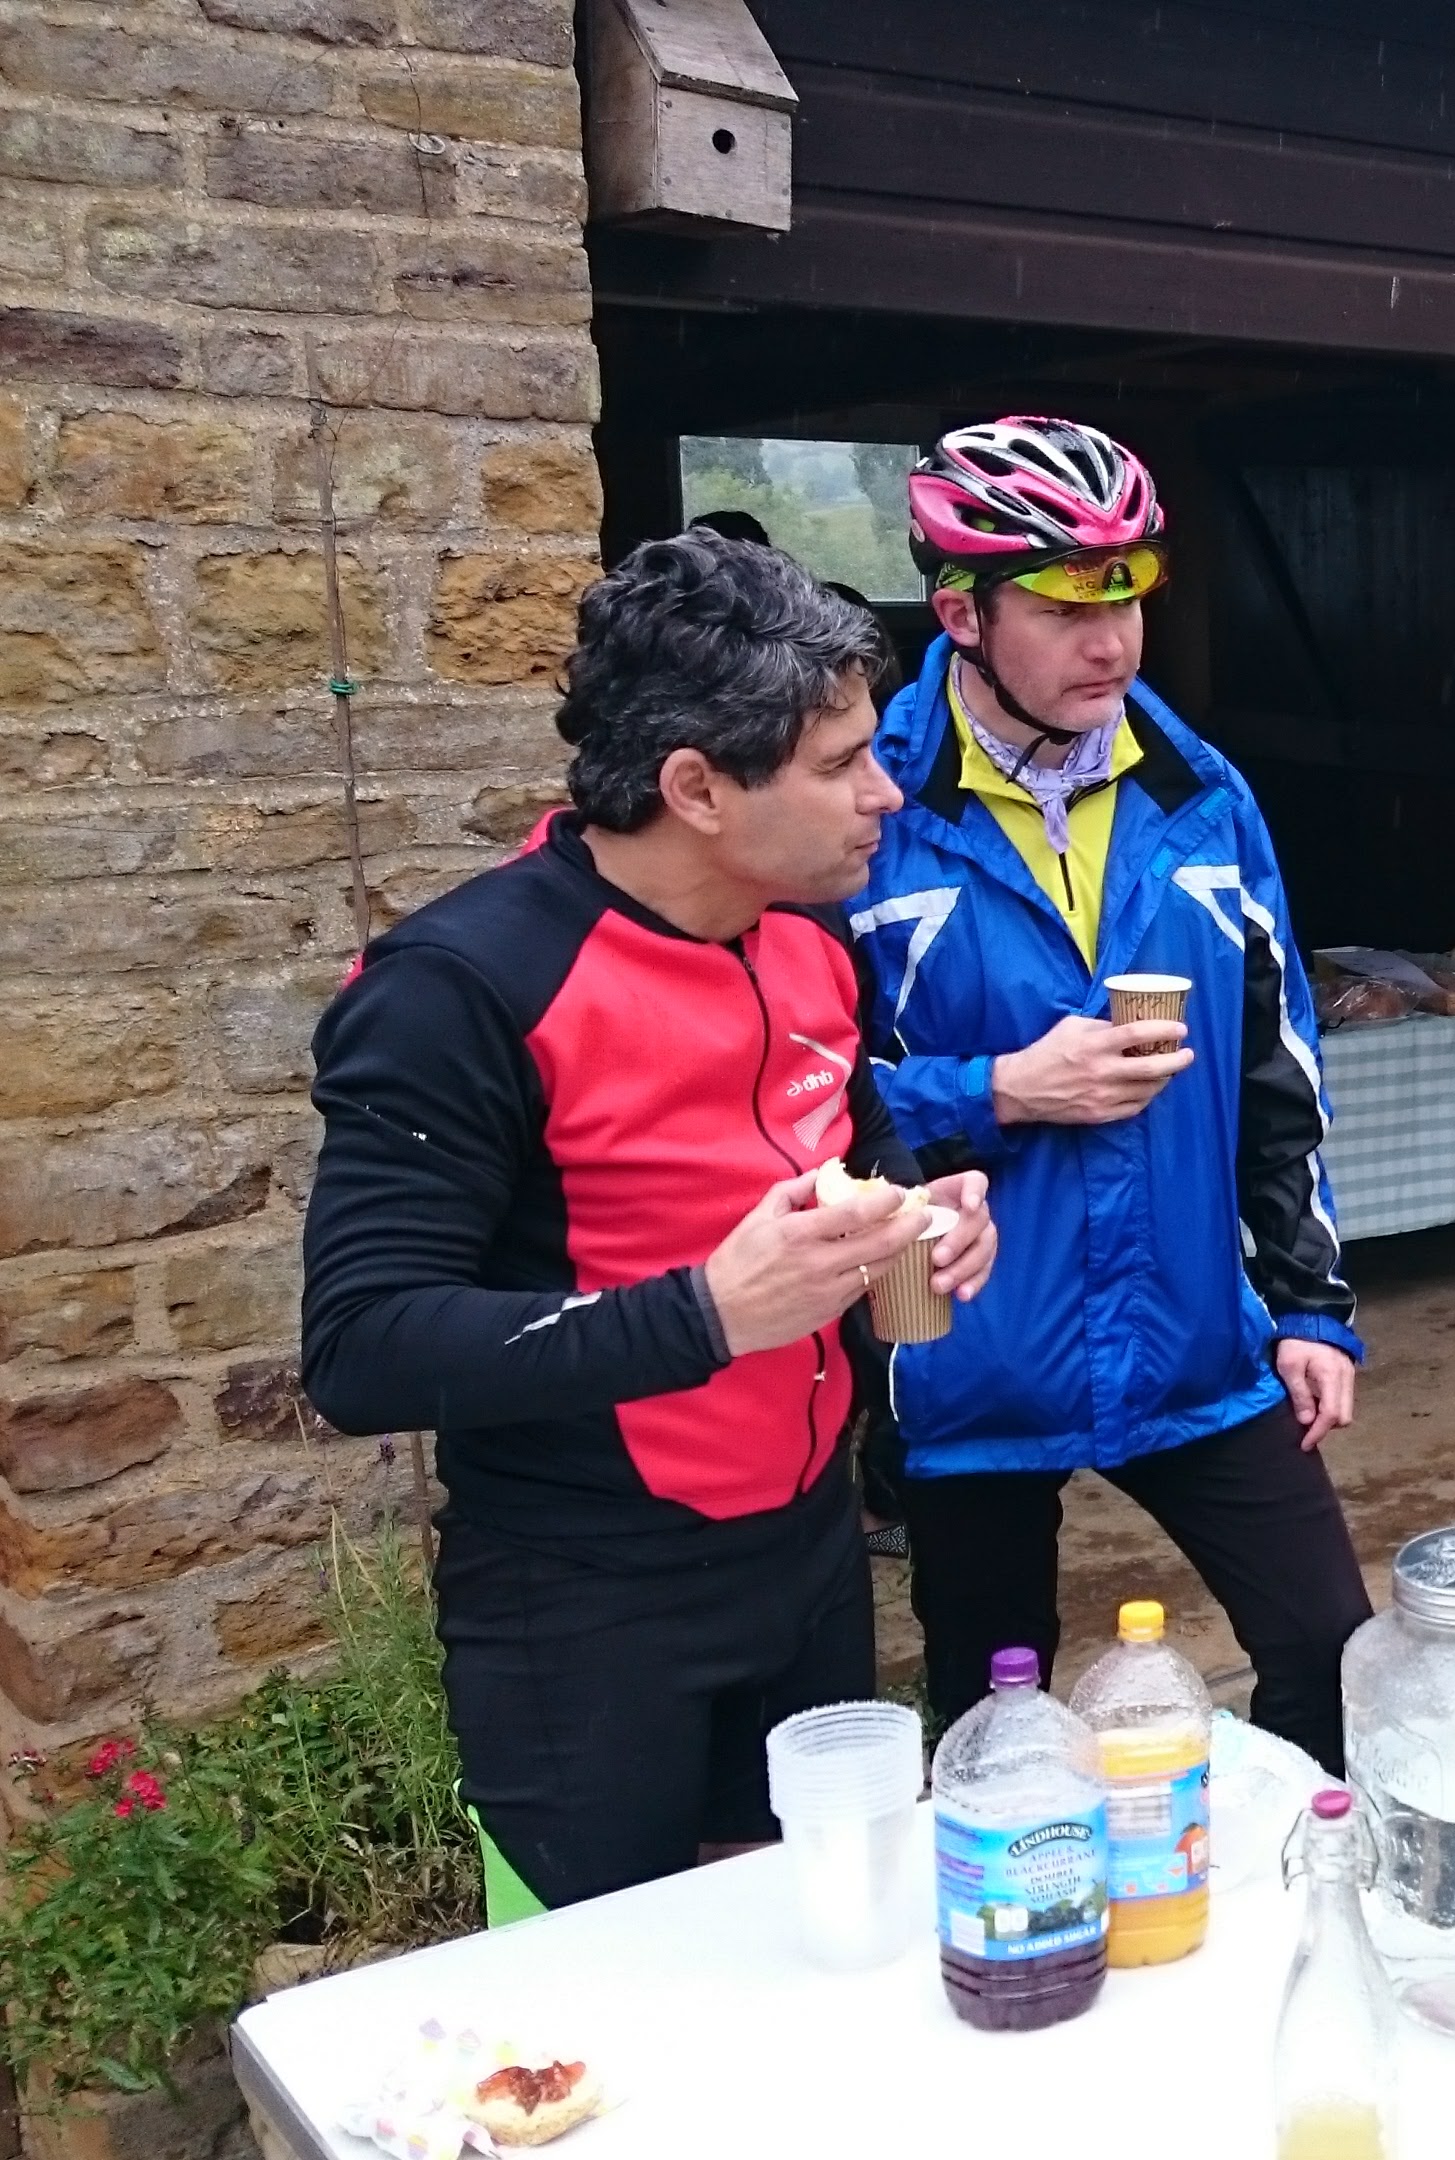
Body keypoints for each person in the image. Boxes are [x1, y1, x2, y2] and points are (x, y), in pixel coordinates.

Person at [299, 532, 999, 1915]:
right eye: (840, 763)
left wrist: (922, 1217)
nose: (887, 787)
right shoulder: (460, 984)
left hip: (807, 1559)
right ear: (696, 787)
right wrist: (704, 1313)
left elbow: (855, 1140)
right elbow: (361, 1347)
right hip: (585, 1607)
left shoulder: (808, 935)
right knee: (598, 2047)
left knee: (813, 1963)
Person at [850, 414, 1369, 1772]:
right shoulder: (868, 808)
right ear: (959, 611)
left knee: (1331, 1650)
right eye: (1070, 605)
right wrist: (1001, 1090)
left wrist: (1312, 1304)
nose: (1115, 643)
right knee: (988, 1730)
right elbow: (805, 1094)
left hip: (1195, 1338)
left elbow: (1279, 1067)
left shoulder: (1203, 796)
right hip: (969, 1357)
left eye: (1131, 592)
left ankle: (1258, 1906)